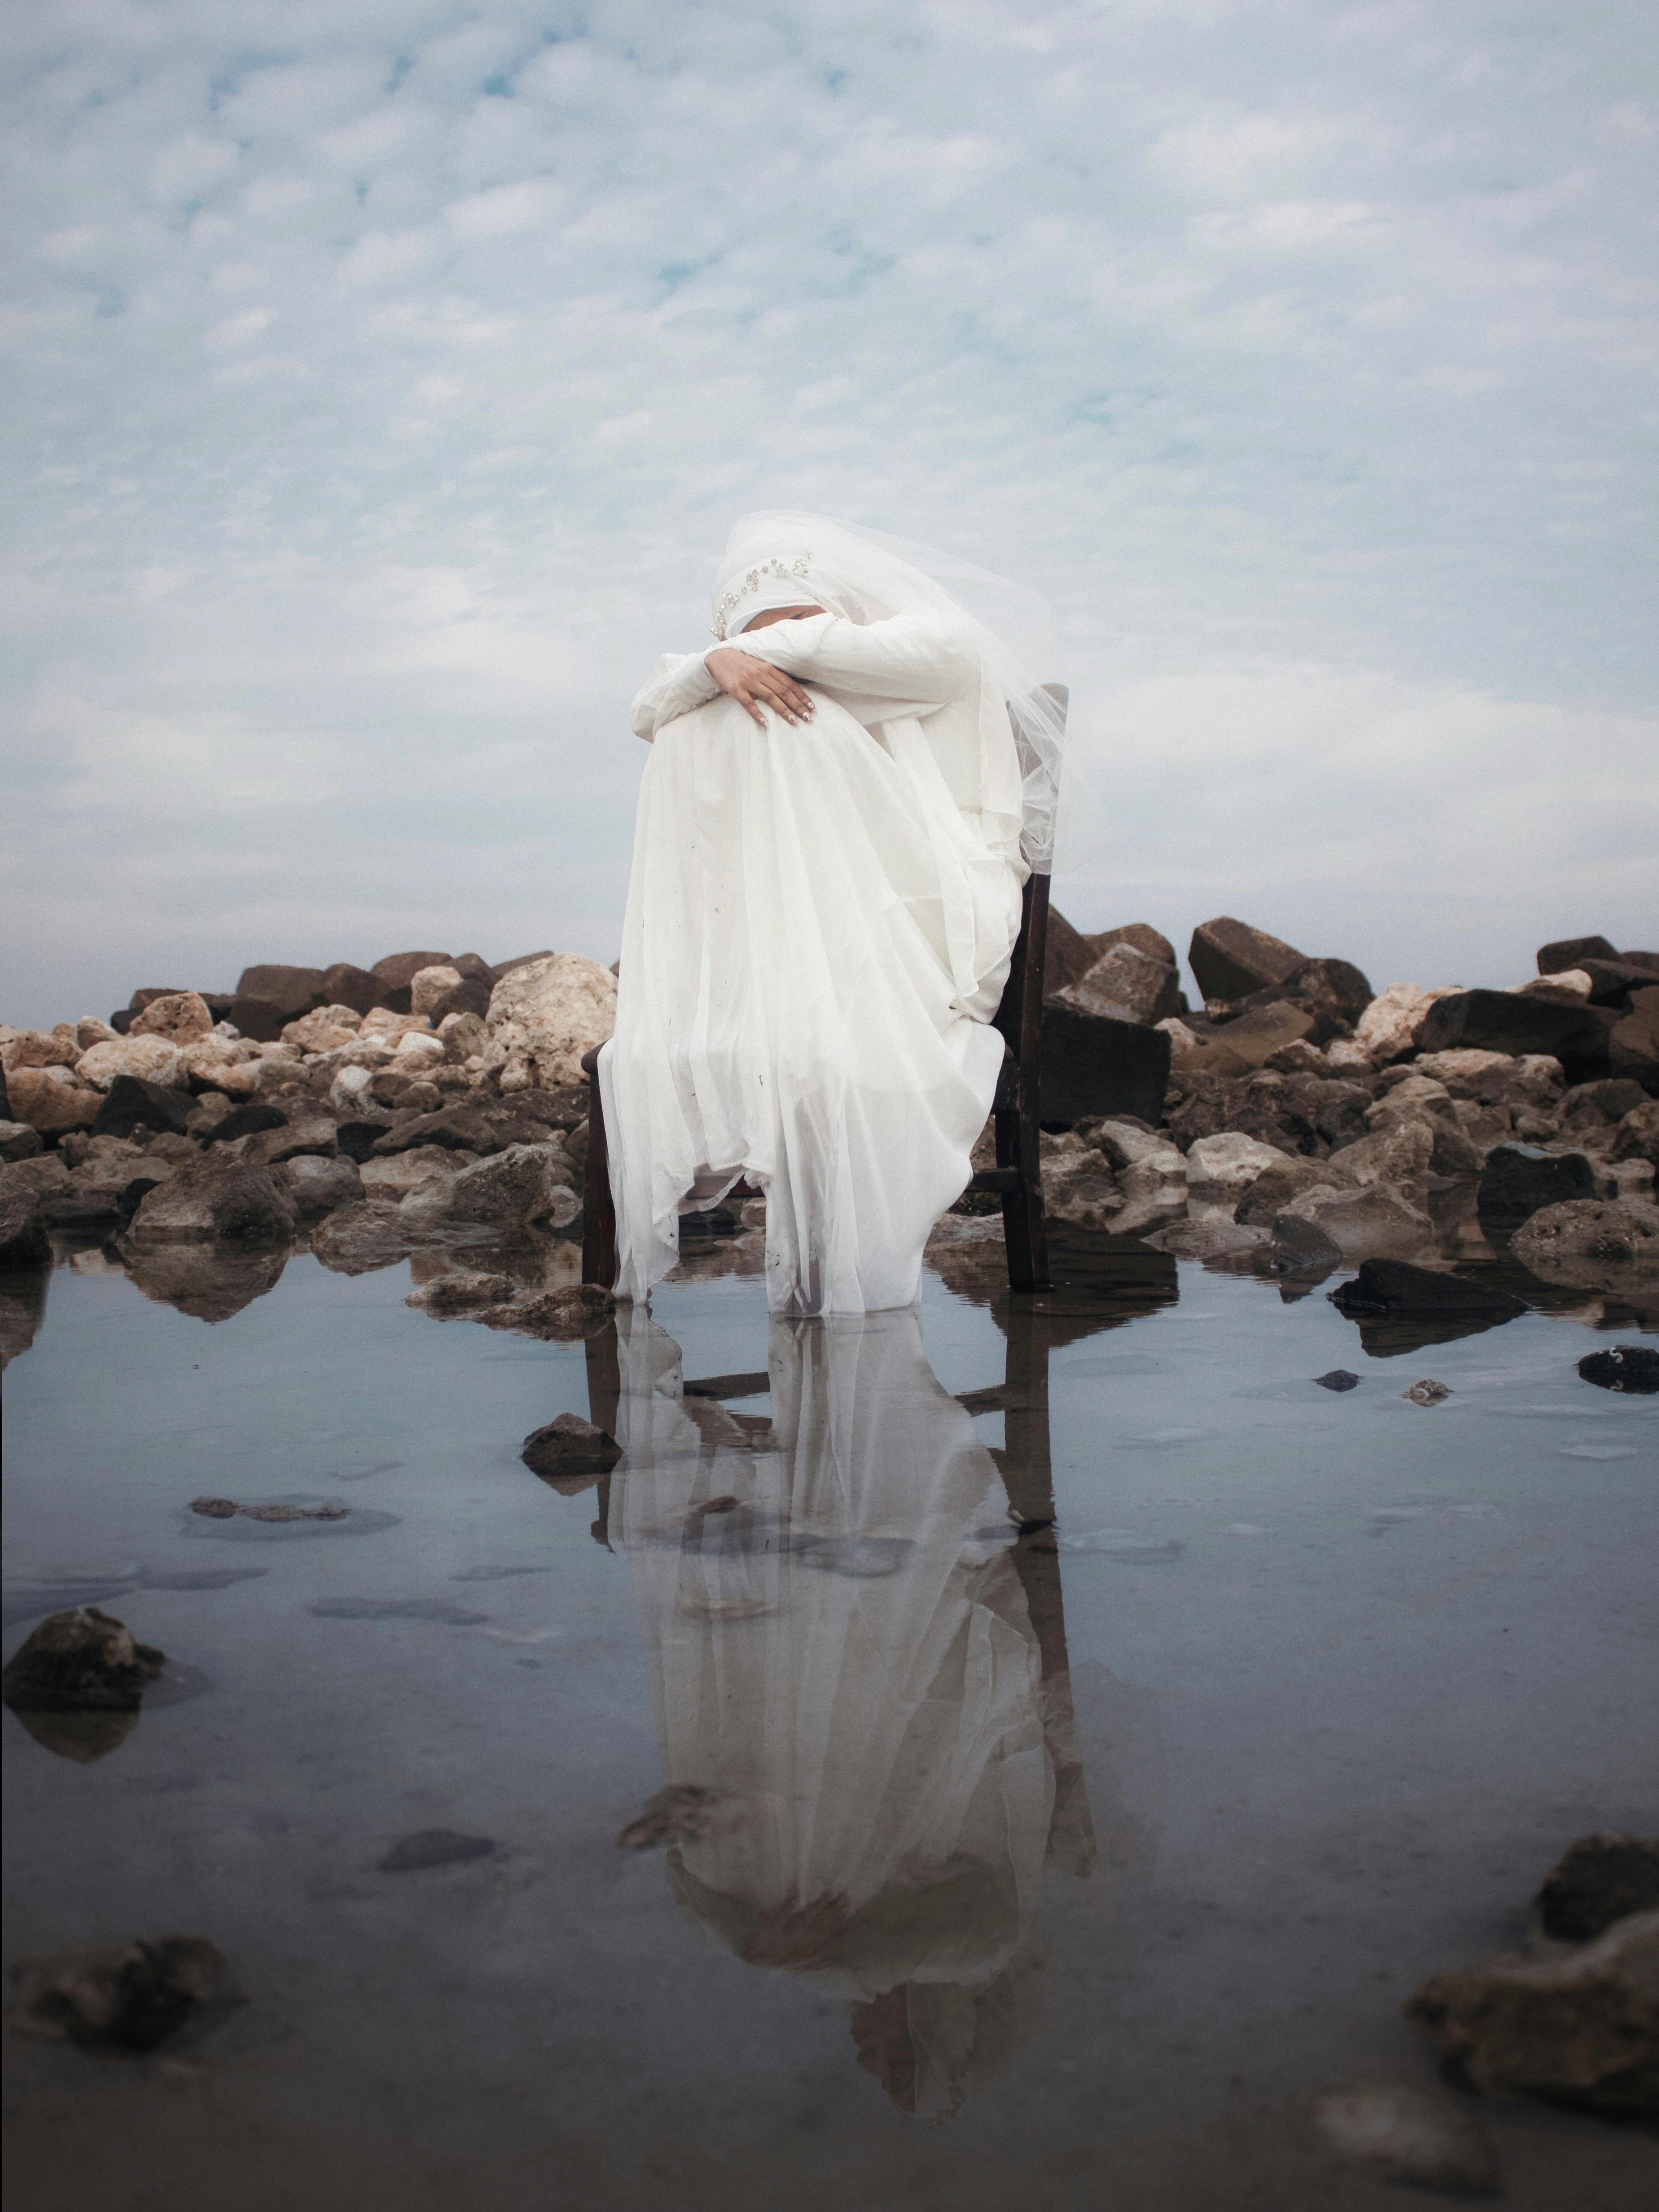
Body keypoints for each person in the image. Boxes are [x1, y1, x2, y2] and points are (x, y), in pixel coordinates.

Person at [601, 511, 1065, 1316]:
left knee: (771, 730)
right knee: (699, 732)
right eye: (756, 632)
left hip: (934, 916)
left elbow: (827, 652)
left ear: (835, 606)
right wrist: (715, 669)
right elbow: (647, 710)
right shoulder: (738, 685)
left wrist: (729, 657)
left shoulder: (934, 641)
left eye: (795, 619)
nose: (779, 643)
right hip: (811, 921)